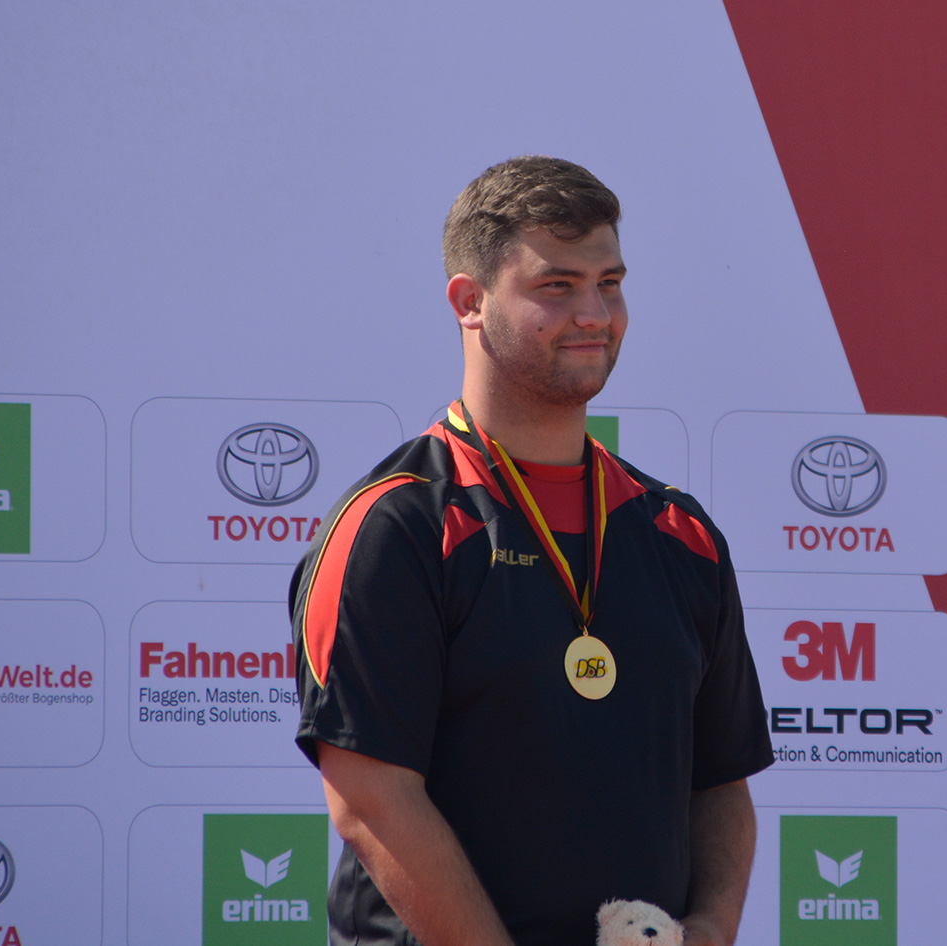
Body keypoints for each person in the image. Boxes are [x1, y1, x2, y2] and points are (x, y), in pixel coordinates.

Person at [290, 155, 771, 946]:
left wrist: (711, 930)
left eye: (609, 283)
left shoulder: (679, 534)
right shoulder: (396, 526)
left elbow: (720, 781)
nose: (595, 313)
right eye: (557, 286)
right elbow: (370, 800)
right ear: (469, 302)